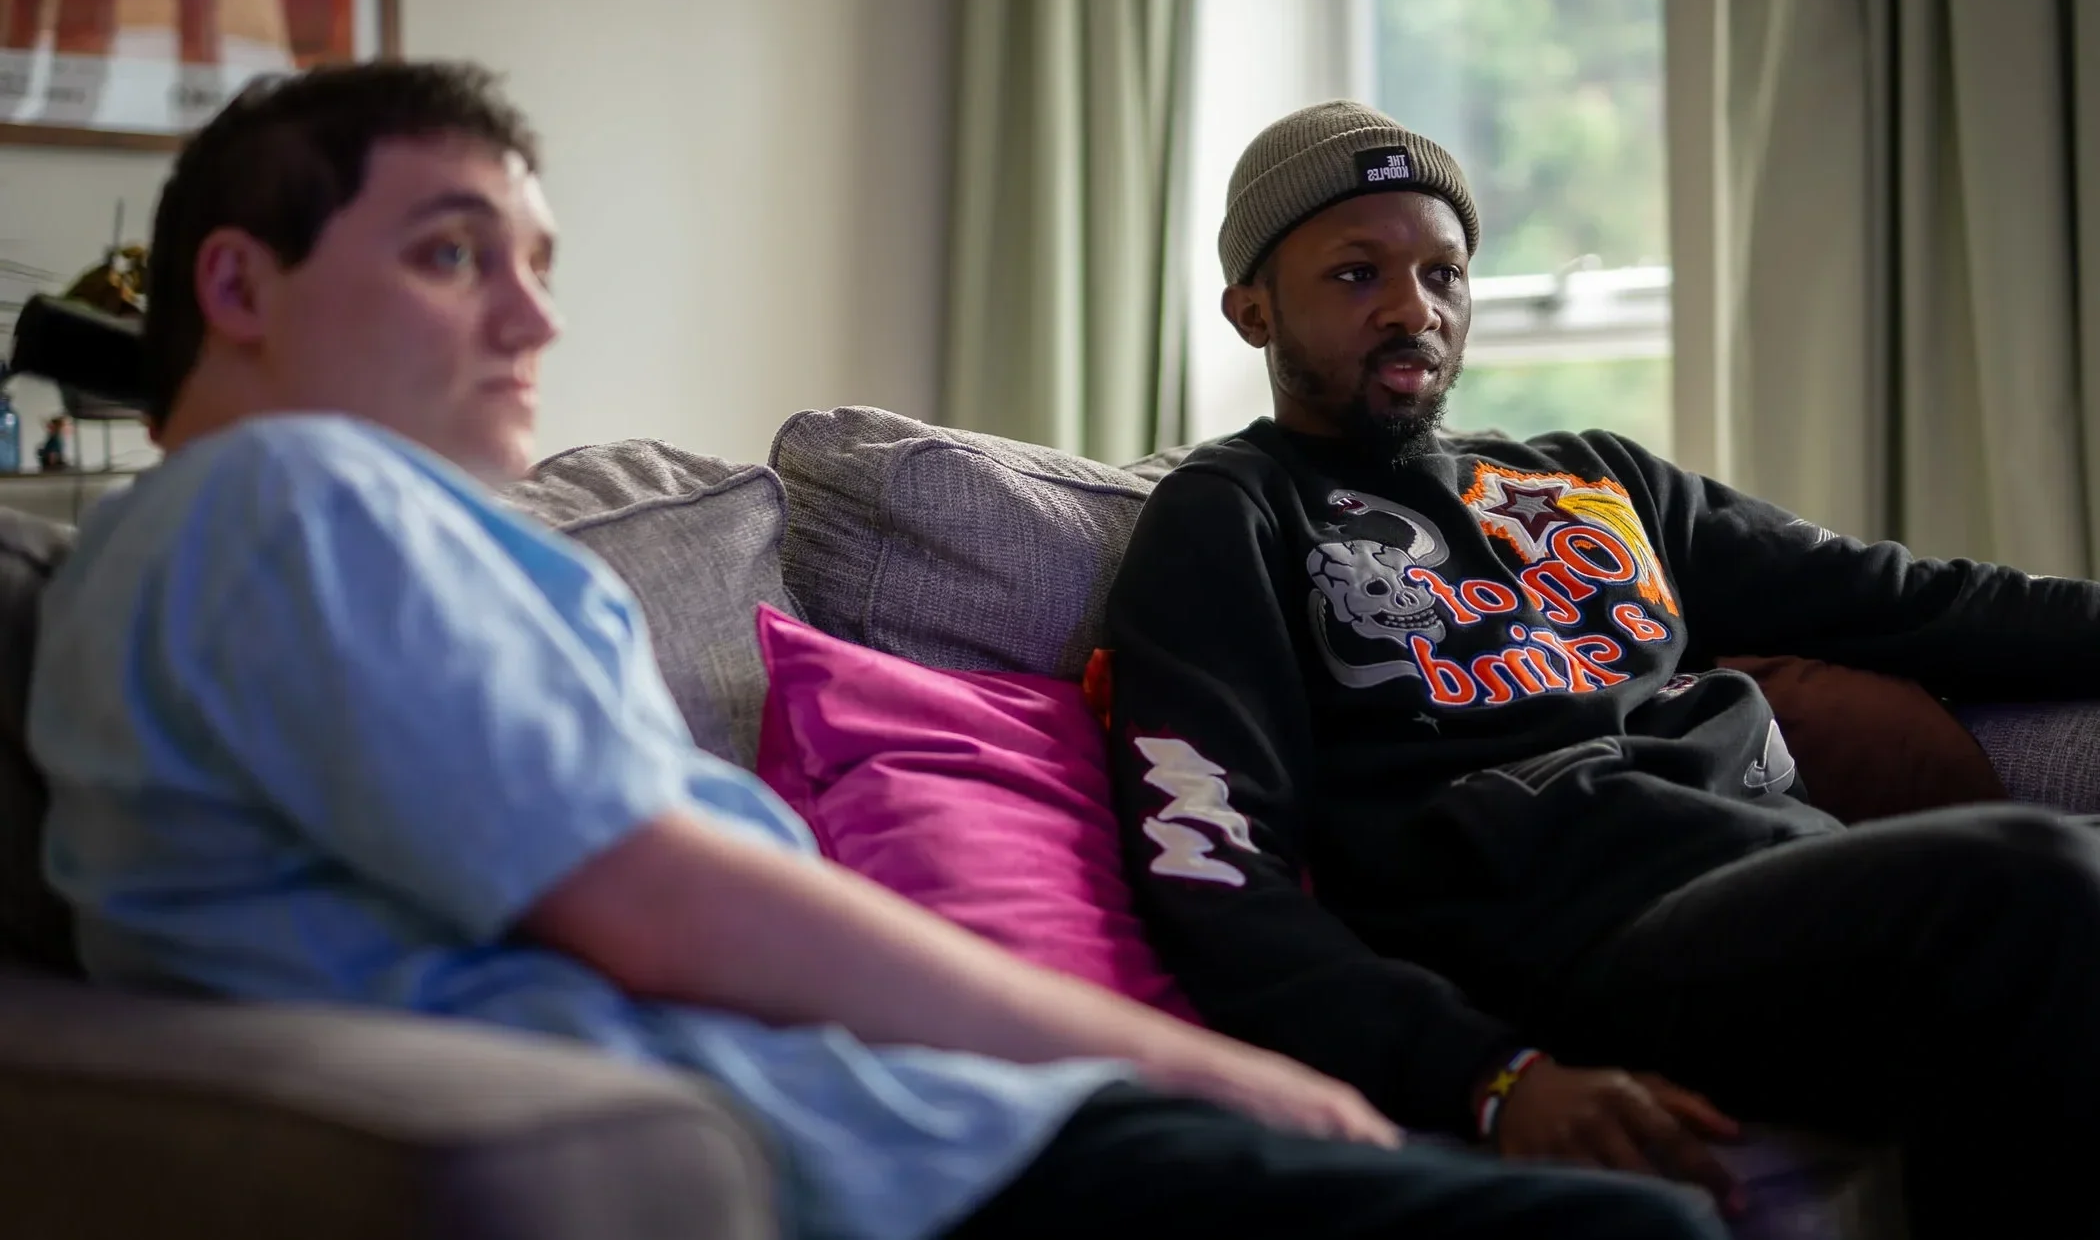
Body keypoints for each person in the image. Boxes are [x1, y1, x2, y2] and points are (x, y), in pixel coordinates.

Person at [25, 62, 1728, 1240]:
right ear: (238, 285)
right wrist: (1199, 1058)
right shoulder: (278, 495)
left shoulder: (382, 539)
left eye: (539, 264)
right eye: (453, 253)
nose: (536, 319)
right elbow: (661, 896)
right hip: (868, 1168)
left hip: (902, 1125)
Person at [1104, 98, 2100, 1240]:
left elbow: (1915, 602)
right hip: (1590, 949)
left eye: (1443, 271)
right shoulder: (1231, 514)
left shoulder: (1598, 479)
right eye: (1355, 274)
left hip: (1808, 890)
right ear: (1252, 309)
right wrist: (1493, 1072)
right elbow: (1207, 863)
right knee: (2029, 882)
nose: (1411, 309)